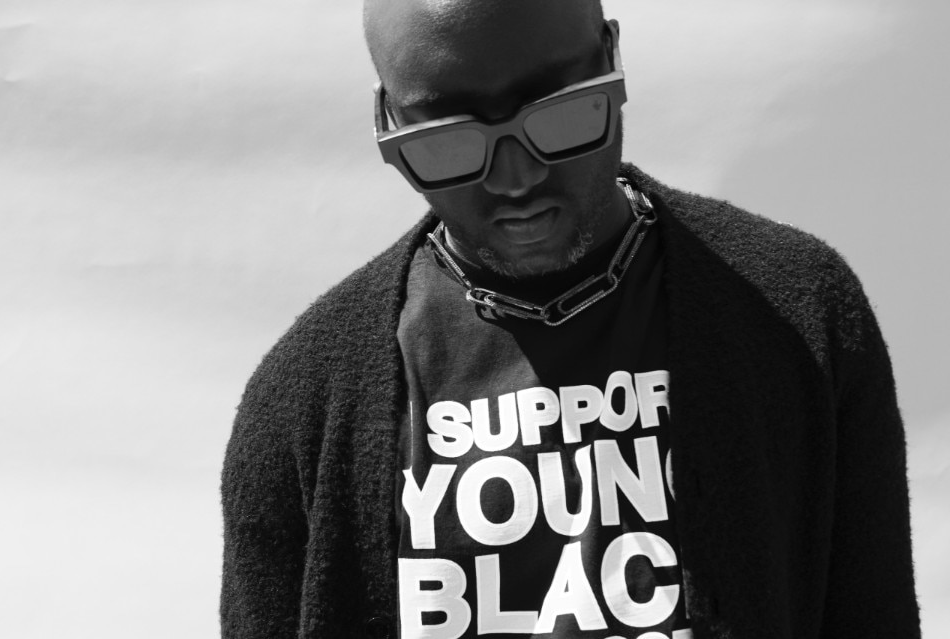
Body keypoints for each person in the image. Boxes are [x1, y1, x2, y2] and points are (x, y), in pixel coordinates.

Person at [220, 0, 920, 637]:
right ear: (389, 122)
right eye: (449, 144)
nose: (516, 179)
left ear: (612, 58)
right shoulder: (300, 403)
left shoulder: (799, 314)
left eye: (560, 116)